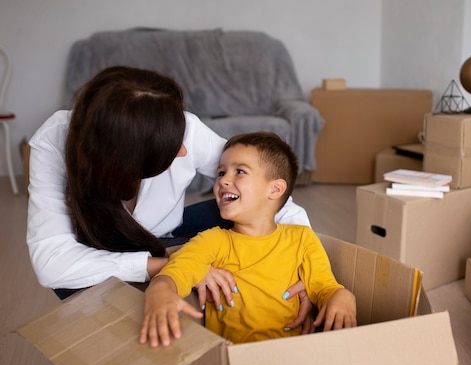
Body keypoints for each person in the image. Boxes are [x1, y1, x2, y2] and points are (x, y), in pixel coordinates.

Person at [26, 67, 312, 330]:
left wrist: (300, 268)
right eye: (171, 149)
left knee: (242, 205)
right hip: (103, 254)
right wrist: (176, 268)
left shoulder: (183, 128)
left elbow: (266, 192)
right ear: (129, 161)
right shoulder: (55, 142)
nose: (184, 152)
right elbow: (52, 263)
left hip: (168, 239)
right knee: (71, 281)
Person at [140, 132, 357, 346]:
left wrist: (343, 296)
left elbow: (324, 287)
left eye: (239, 171)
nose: (223, 180)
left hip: (293, 356)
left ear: (275, 189)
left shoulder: (301, 239)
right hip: (234, 360)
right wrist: (160, 289)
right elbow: (178, 271)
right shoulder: (212, 240)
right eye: (221, 172)